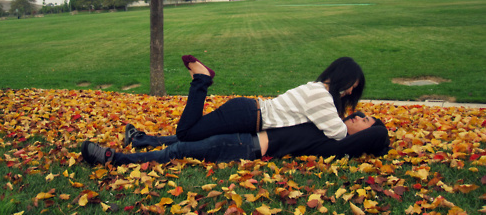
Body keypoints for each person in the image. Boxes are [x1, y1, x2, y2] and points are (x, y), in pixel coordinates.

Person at [81, 111, 389, 166]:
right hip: (251, 129)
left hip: (248, 146)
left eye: (364, 121)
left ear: (369, 134)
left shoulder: (341, 143)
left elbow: (375, 138)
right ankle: (141, 141)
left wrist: (381, 132)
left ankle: (115, 159)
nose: (357, 117)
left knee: (182, 149)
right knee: (194, 132)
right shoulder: (330, 124)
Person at [174, 55, 365, 143]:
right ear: (343, 77)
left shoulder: (316, 90)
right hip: (247, 115)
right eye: (351, 86)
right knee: (186, 133)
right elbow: (338, 133)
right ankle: (201, 79)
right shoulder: (321, 96)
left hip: (247, 112)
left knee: (193, 130)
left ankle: (200, 80)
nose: (349, 92)